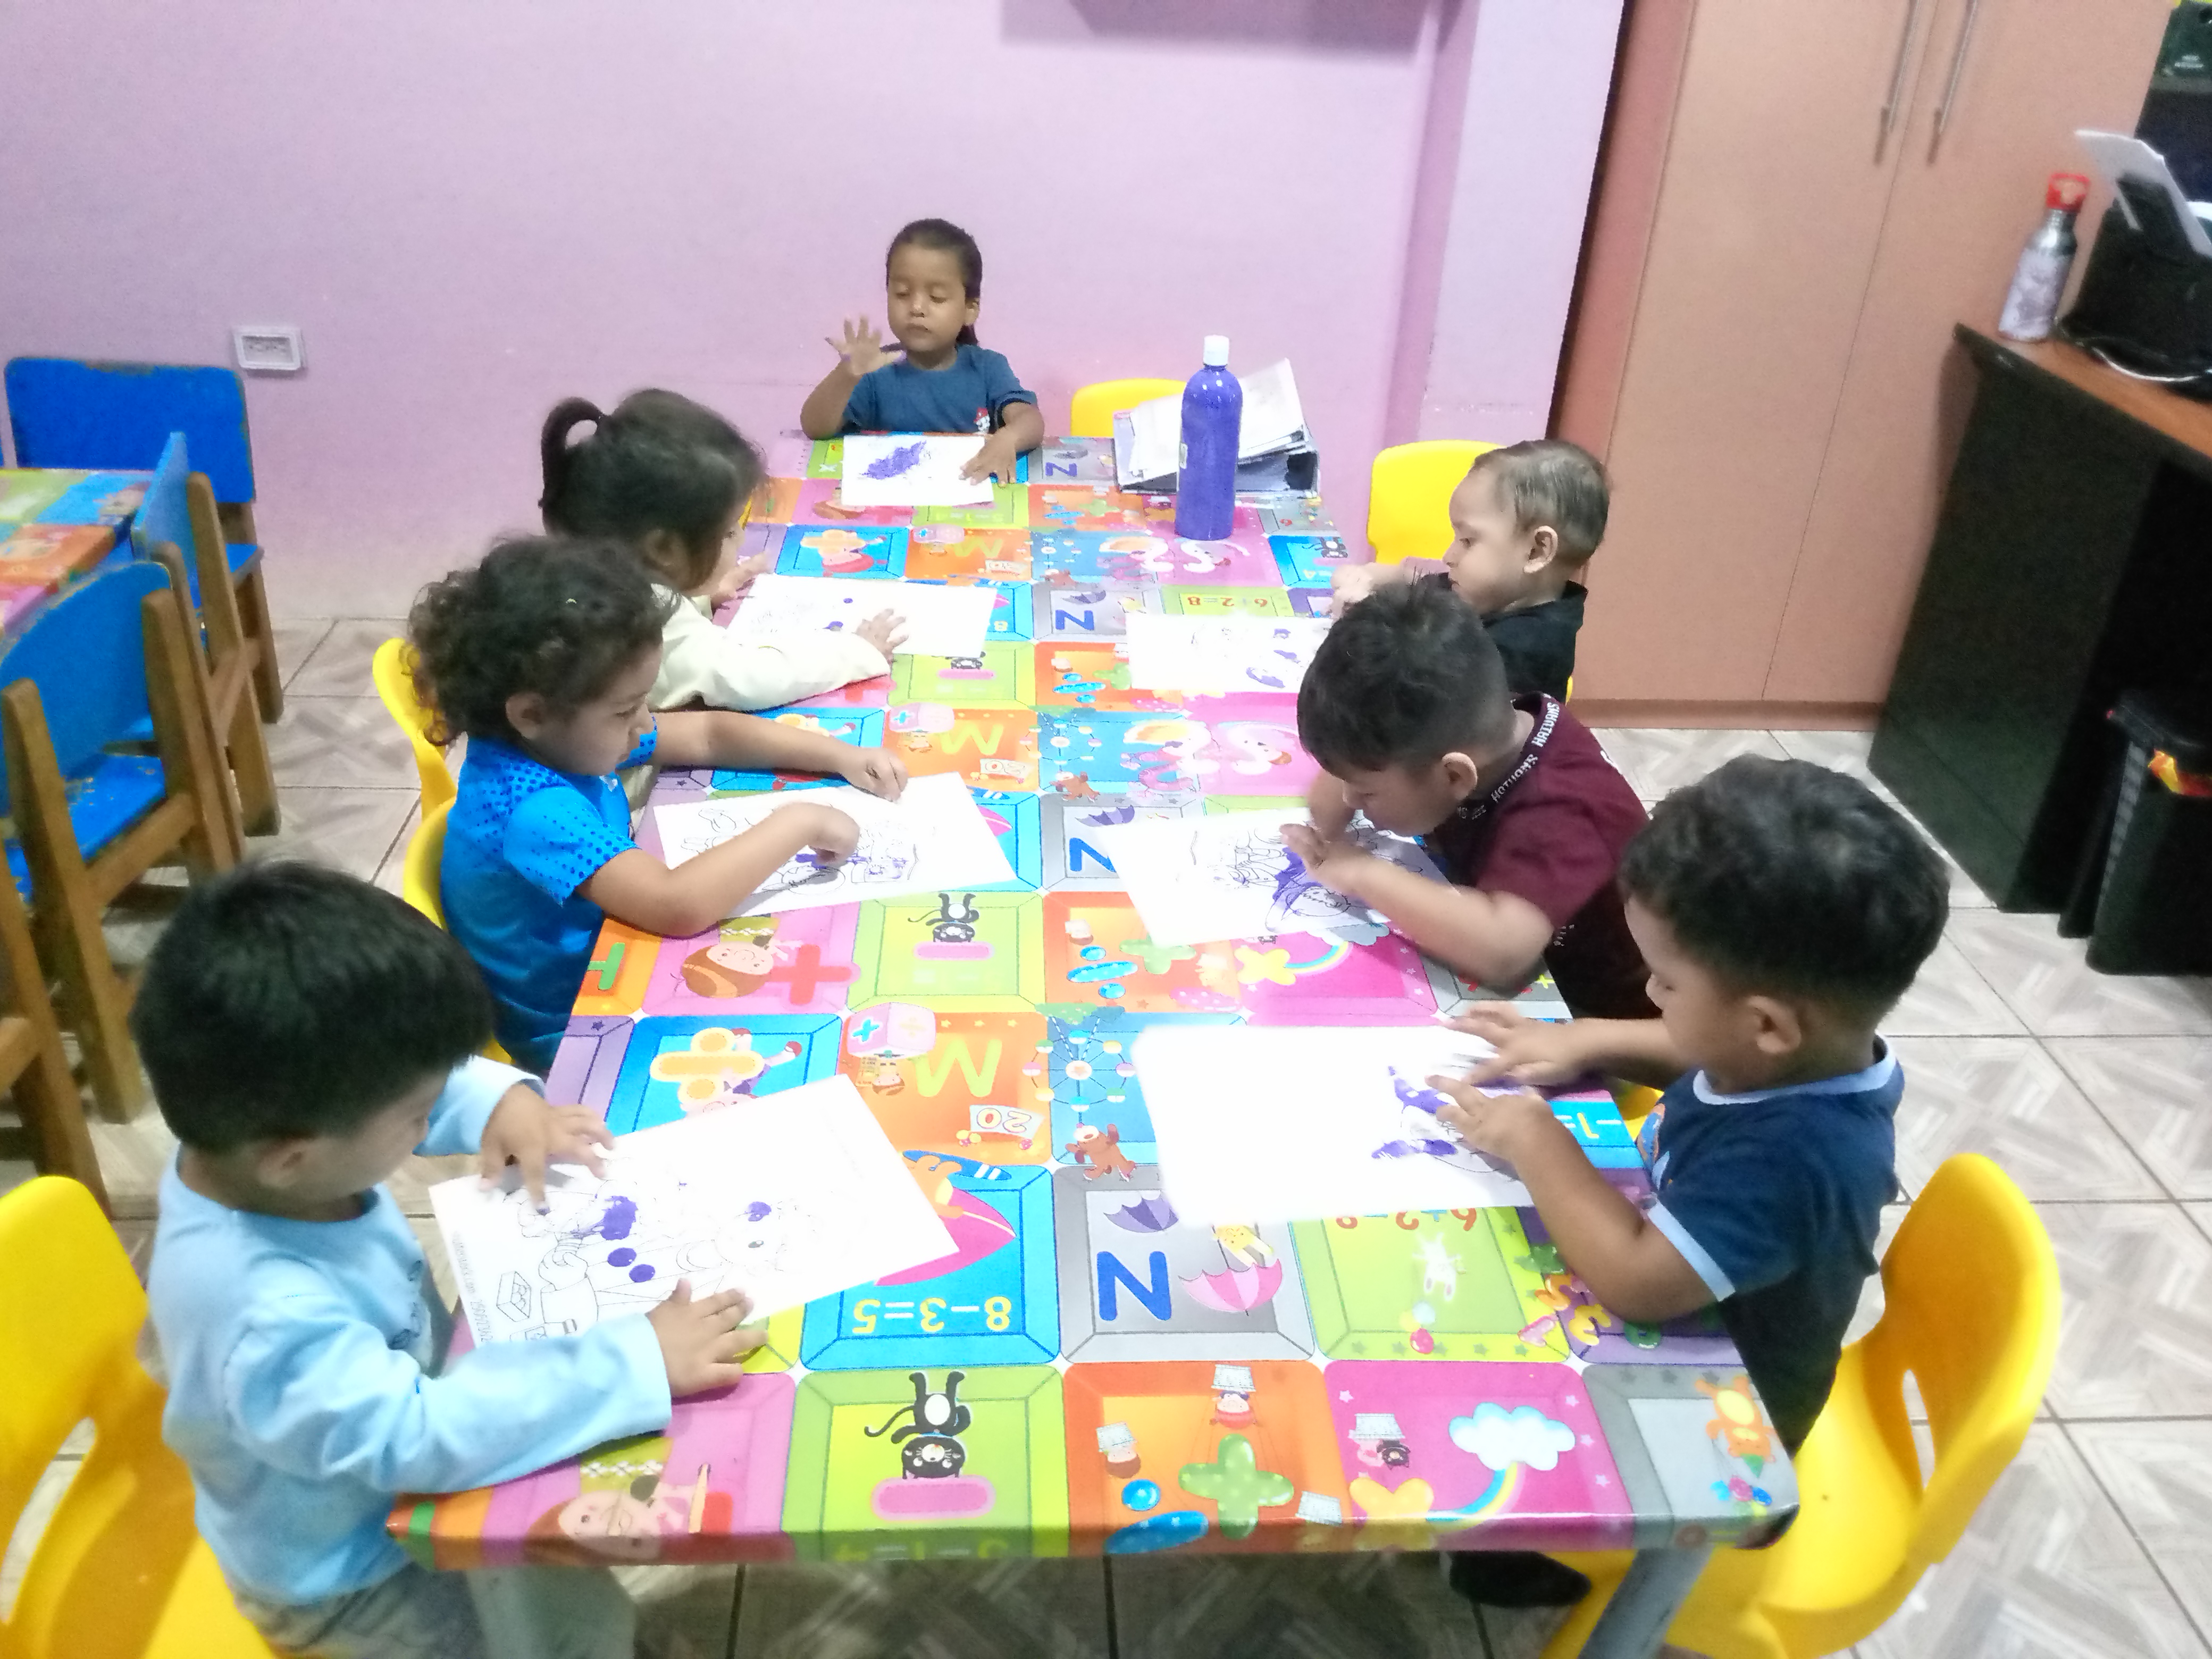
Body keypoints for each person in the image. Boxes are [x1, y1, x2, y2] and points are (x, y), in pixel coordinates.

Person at [133, 860, 765, 1657]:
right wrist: (637, 1360)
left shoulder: (253, 1135)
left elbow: (393, 1078)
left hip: (397, 1473)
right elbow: (420, 1438)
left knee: (572, 1607)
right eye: (418, 1116)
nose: (429, 1120)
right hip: (360, 1578)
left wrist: (503, 1100)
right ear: (291, 1157)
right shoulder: (264, 1316)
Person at [1427, 757, 1947, 1605]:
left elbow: (1639, 1282)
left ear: (1767, 1024)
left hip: (1725, 1426)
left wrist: (1533, 1136)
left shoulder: (1800, 1155)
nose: (1651, 992)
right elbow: (1701, 1049)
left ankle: (1535, 1564)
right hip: (1689, 1304)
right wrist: (1588, 1038)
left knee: (1467, 1394)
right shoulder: (1807, 1057)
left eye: (1666, 981)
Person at [412, 537, 909, 1071]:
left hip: (617, 963)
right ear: (531, 713)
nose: (646, 723)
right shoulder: (532, 808)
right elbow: (677, 906)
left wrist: (839, 755)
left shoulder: (560, 736)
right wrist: (800, 821)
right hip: (577, 1031)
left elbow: (708, 734)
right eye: (626, 710)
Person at [1283, 582, 1654, 1019]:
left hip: (1606, 1017)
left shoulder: (1560, 811)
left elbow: (1502, 952)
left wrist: (1363, 873)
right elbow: (1330, 799)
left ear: (1456, 776)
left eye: (1366, 791)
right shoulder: (1470, 722)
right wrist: (1345, 781)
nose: (1349, 797)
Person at [540, 389, 903, 713]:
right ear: (663, 548)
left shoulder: (585, 579)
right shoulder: (642, 623)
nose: (741, 540)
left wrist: (698, 599)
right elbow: (750, 679)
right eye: (728, 531)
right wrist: (857, 653)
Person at [1329, 439, 1607, 701]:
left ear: (1537, 551)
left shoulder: (1521, 653)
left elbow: (1407, 689)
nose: (1448, 556)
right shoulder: (1493, 594)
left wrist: (1363, 626)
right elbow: (1423, 584)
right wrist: (1372, 577)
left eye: (1467, 541)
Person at [799, 217, 1043, 485]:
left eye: (936, 297)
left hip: (968, 493)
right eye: (902, 293)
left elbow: (1030, 420)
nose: (916, 307)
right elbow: (815, 428)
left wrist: (1008, 438)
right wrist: (847, 374)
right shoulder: (875, 371)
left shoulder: (988, 368)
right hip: (891, 498)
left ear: (970, 309)